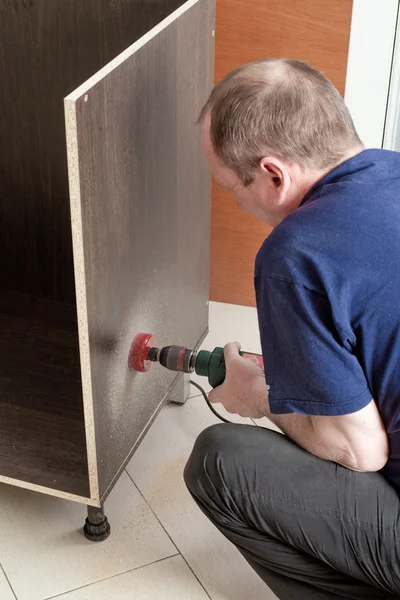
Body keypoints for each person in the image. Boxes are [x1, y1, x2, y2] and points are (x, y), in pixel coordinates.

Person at [183, 58, 400, 599]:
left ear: (275, 174)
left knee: (219, 463)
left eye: (231, 186)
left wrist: (264, 398)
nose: (233, 200)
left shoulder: (296, 253)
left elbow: (361, 452)